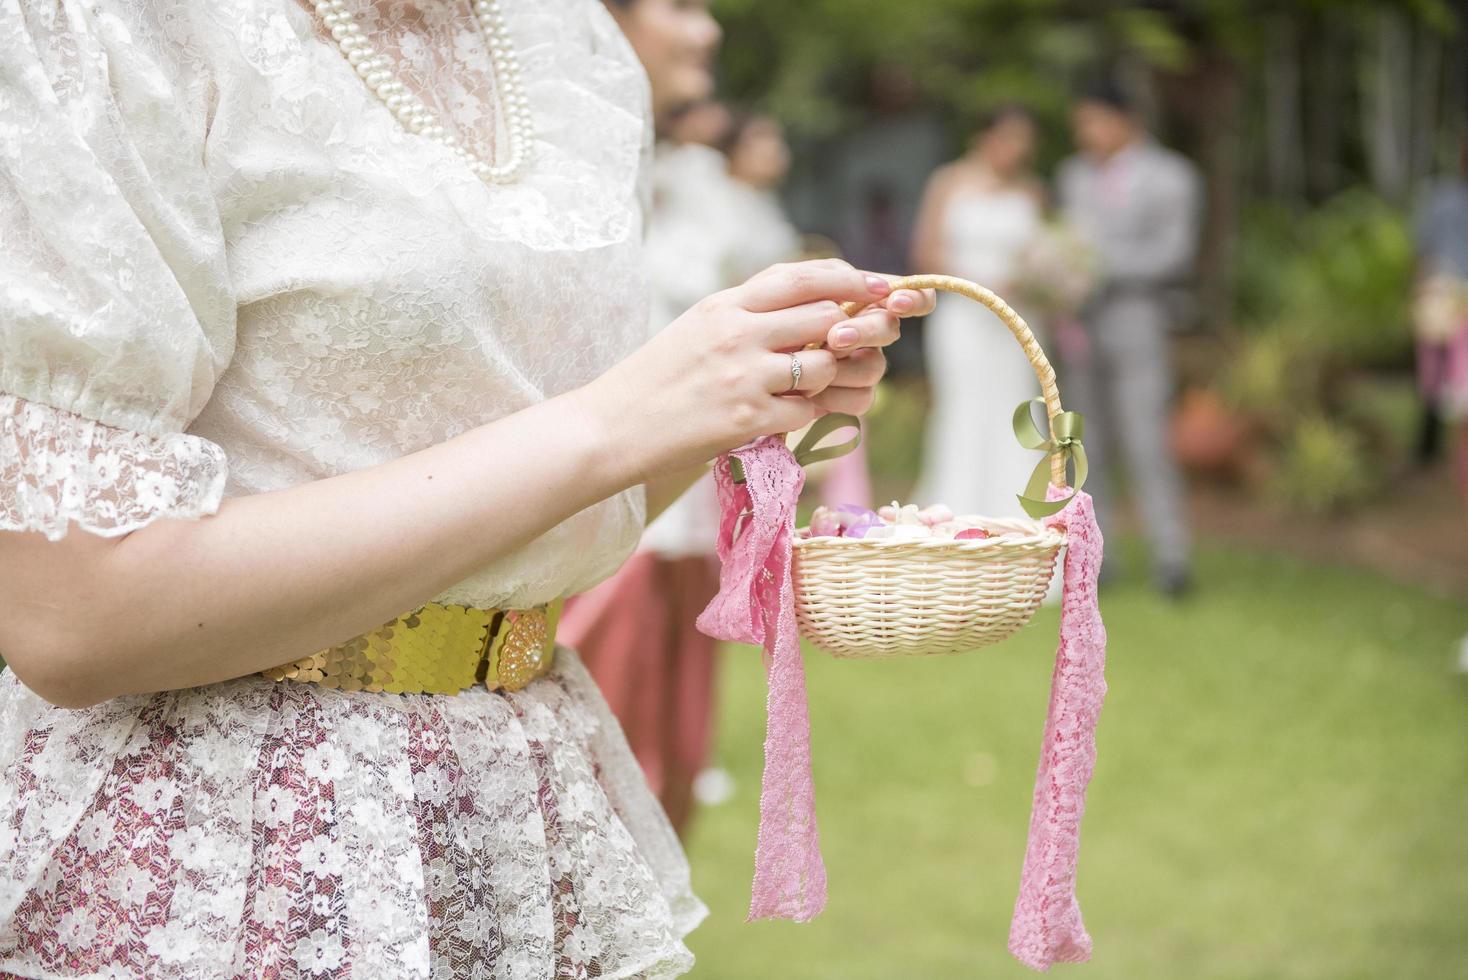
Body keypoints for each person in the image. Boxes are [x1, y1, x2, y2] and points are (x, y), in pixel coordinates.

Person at [0, 0, 937, 976]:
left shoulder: (574, 43)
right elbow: (72, 613)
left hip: (518, 809)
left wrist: (727, 402)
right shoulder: (113, 23)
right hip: (227, 845)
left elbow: (535, 527)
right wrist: (614, 418)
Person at [1058, 80, 1201, 596]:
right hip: (1080, 330)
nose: (1085, 134)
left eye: (1093, 122)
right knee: (1086, 446)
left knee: (1147, 440)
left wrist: (1095, 267)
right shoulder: (1071, 175)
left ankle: (1172, 557)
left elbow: (1174, 251)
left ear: (1126, 121)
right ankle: (1100, 557)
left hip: (1139, 323)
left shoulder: (1173, 176)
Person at [909, 105, 1046, 518]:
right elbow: (925, 253)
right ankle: (953, 518)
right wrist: (980, 284)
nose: (1017, 151)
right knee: (963, 410)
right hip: (963, 317)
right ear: (986, 137)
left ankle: (1018, 522)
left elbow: (1039, 255)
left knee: (1015, 410)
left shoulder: (1032, 191)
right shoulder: (949, 182)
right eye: (1010, 139)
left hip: (1016, 321)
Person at [1412, 129, 1468, 504]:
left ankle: (1439, 455)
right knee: (1443, 380)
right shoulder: (1441, 198)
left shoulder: (1439, 198)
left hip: (1442, 294)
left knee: (1449, 382)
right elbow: (1424, 252)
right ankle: (1436, 455)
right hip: (1446, 294)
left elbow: (1422, 254)